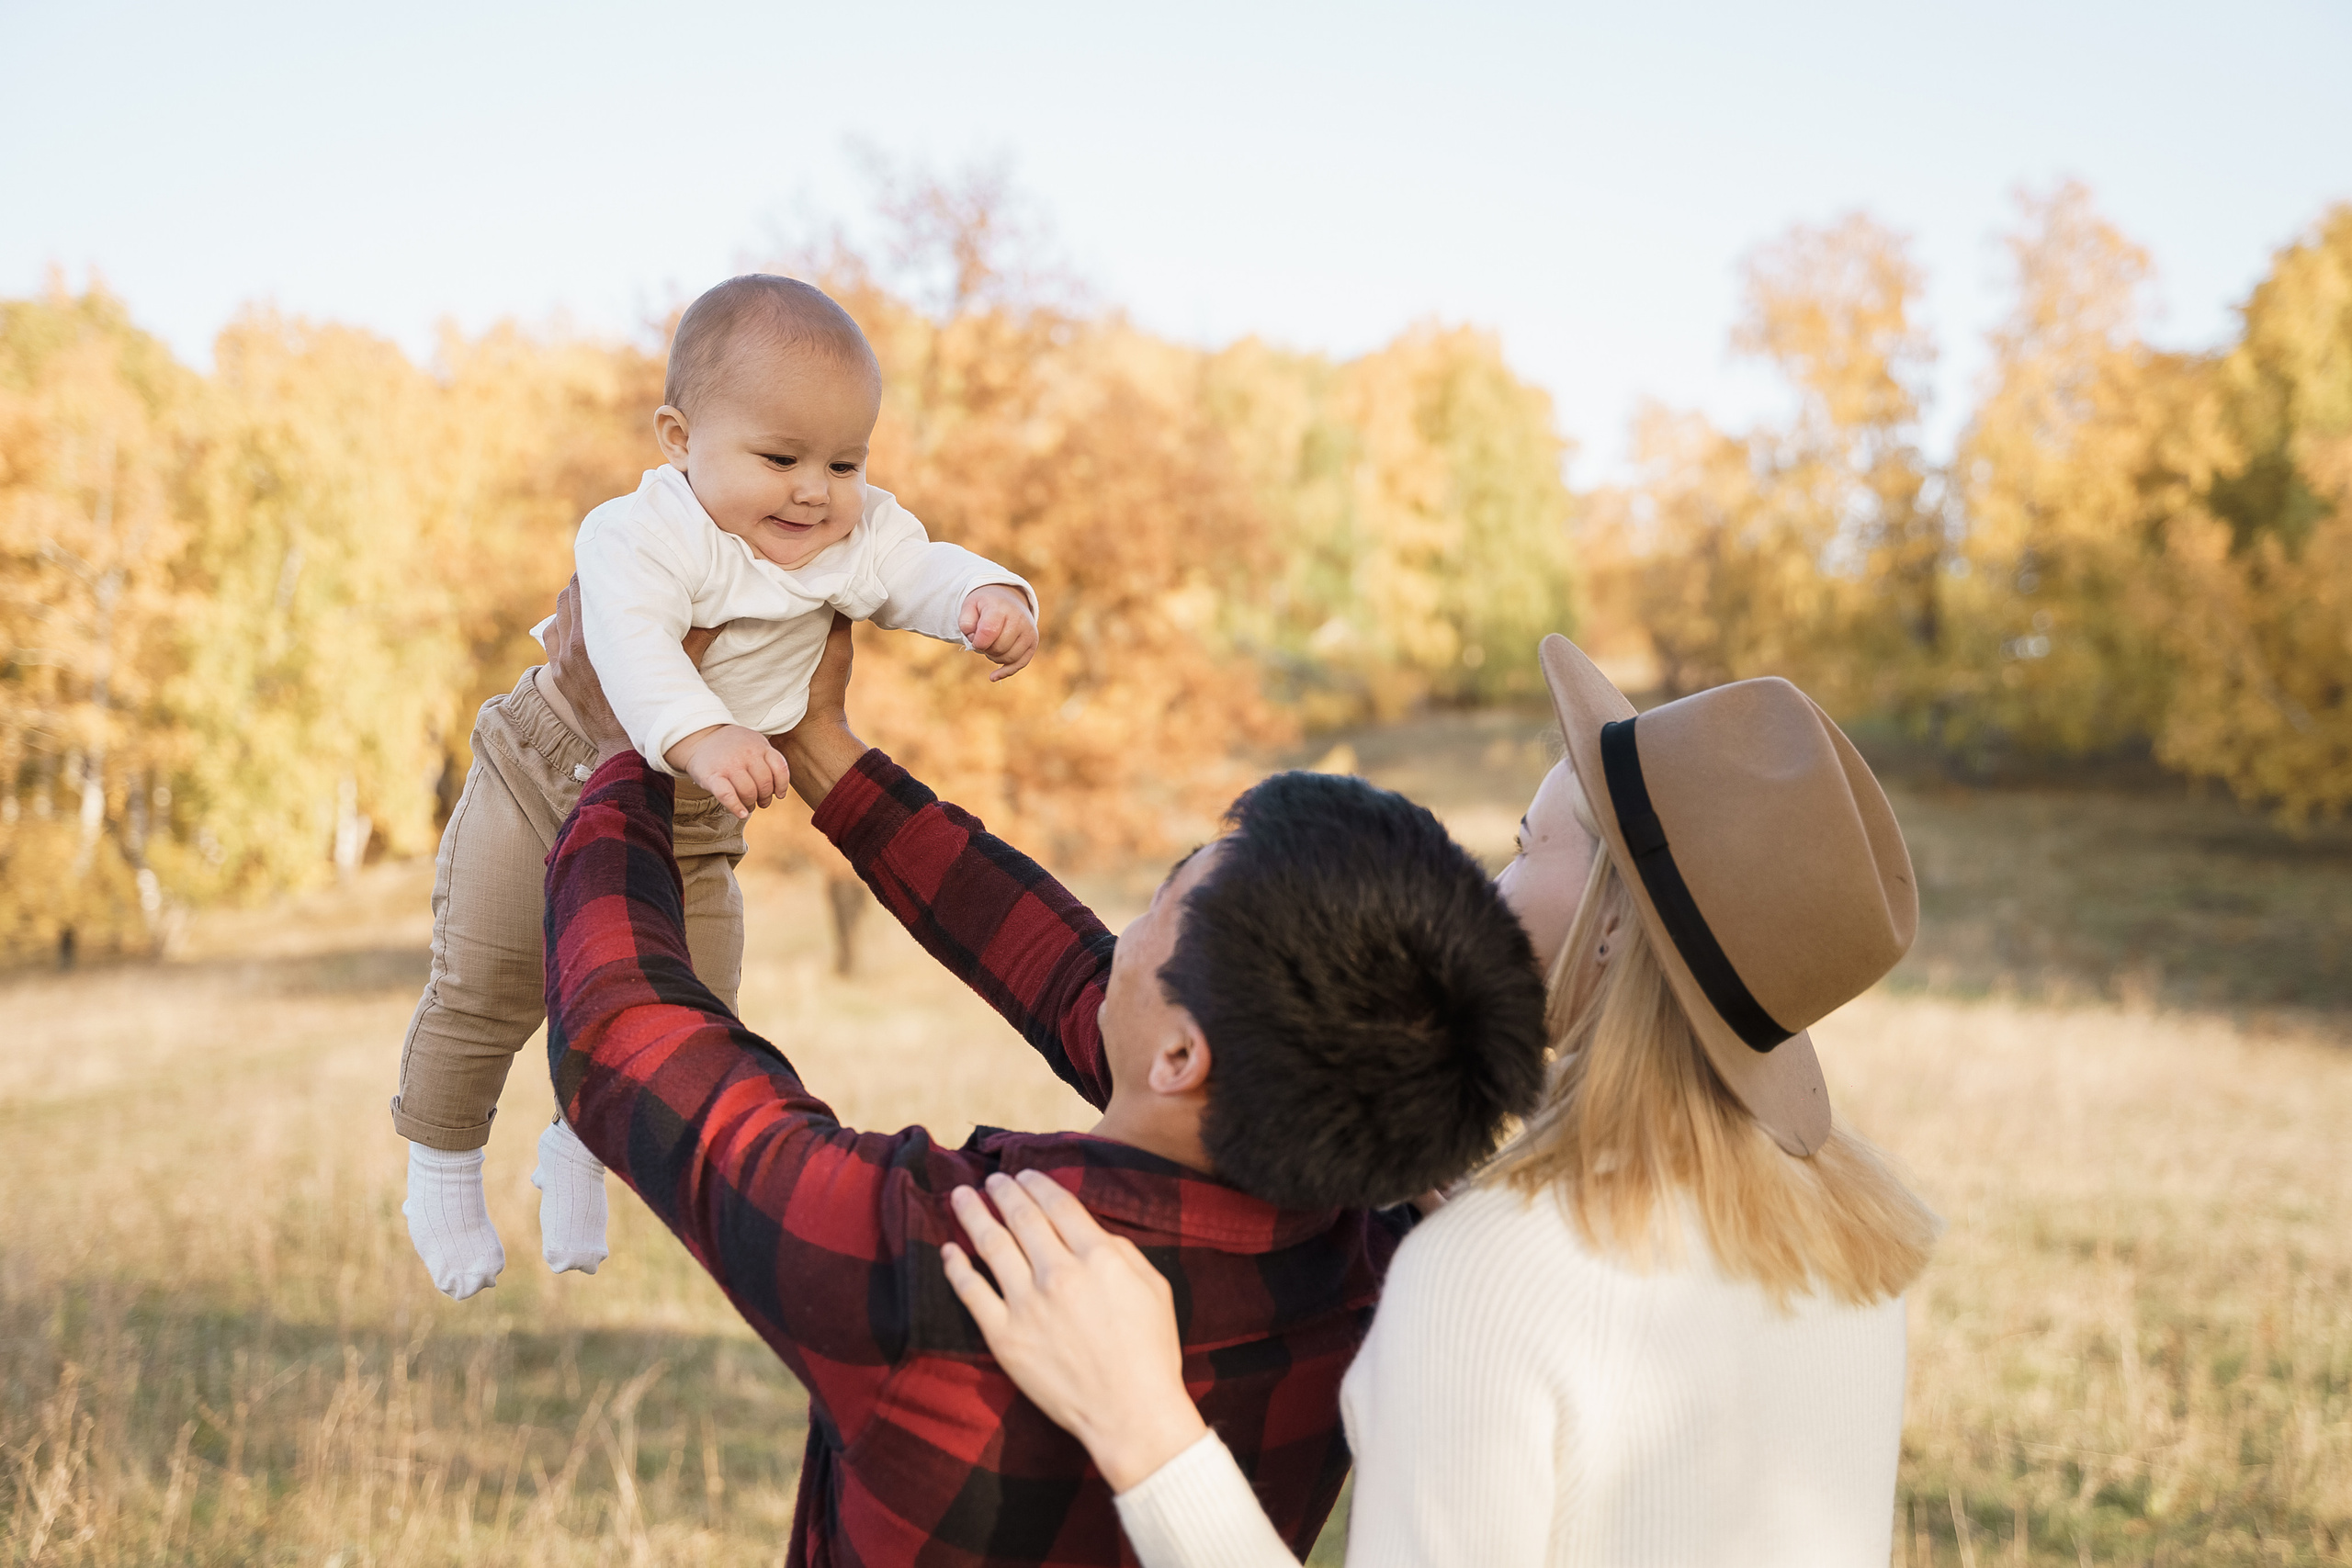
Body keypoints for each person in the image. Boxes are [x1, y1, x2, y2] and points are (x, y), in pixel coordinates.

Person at [531, 590, 1550, 1565]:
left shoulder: (959, 1265)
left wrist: (616, 748)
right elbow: (1072, 979)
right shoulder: (1379, 1263)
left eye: (1159, 906)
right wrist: (821, 750)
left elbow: (624, 1037)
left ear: (1185, 1058)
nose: (1125, 935)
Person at [943, 633, 1942, 1568]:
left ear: (1607, 930)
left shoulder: (1487, 1273)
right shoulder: (1852, 1250)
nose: (1489, 886)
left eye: (1523, 844)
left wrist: (1145, 1426)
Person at [390, 275, 1040, 1301]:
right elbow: (633, 648)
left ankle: (576, 1150)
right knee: (488, 984)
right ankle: (440, 1172)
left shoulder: (848, 535)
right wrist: (700, 734)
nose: (814, 491)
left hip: (695, 818)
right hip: (545, 772)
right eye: (779, 459)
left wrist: (987, 598)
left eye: (845, 461)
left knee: (693, 1007)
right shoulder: (639, 533)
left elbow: (918, 567)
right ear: (679, 438)